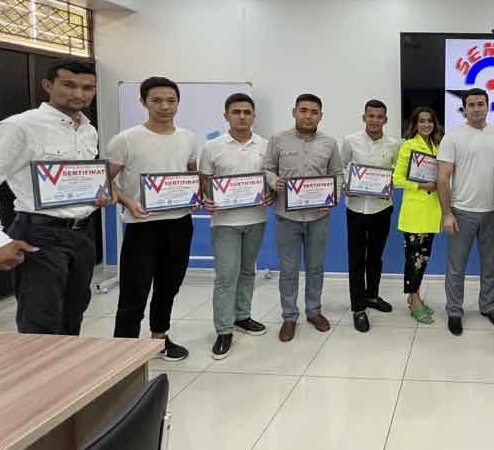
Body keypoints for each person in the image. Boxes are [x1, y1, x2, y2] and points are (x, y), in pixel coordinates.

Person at [0, 60, 112, 334]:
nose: (78, 94)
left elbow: (75, 181)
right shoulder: (20, 127)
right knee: (41, 324)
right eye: (69, 85)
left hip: (82, 235)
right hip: (39, 236)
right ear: (48, 86)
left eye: (87, 88)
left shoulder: (88, 130)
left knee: (73, 316)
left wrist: (96, 195)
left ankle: (68, 364)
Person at [108, 77, 198, 361]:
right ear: (143, 102)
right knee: (134, 291)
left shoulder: (188, 138)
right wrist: (128, 201)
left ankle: (159, 339)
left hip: (180, 223)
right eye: (156, 100)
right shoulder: (126, 139)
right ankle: (124, 351)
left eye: (171, 100)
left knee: (169, 286)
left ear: (178, 102)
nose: (165, 106)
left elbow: (191, 174)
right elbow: (103, 182)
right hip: (142, 225)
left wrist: (196, 195)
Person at [264, 93, 343, 342]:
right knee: (288, 270)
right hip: (286, 216)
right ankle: (289, 316)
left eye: (314, 112)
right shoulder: (278, 139)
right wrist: (273, 181)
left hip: (319, 216)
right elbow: (267, 168)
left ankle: (314, 311)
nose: (308, 116)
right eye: (303, 110)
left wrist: (333, 197)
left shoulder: (329, 143)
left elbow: (337, 173)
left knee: (315, 267)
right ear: (294, 112)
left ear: (320, 116)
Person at [200, 93, 270, 360]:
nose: (242, 116)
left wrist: (272, 194)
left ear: (254, 116)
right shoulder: (212, 147)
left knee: (248, 271)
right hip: (224, 222)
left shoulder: (265, 145)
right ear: (226, 115)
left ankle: (242, 316)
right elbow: (205, 183)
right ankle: (223, 330)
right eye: (236, 112)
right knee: (226, 276)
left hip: (256, 219)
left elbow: (271, 179)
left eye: (247, 112)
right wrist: (206, 198)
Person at [437, 88, 494, 336]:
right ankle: (454, 311)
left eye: (481, 104)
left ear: (488, 106)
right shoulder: (453, 137)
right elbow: (442, 177)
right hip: (462, 211)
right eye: (472, 104)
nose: (477, 108)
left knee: (490, 264)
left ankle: (487, 306)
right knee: (456, 266)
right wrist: (447, 213)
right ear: (464, 108)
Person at [341, 99, 401, 332]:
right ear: (364, 117)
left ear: (385, 120)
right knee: (357, 259)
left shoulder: (394, 144)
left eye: (379, 117)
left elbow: (398, 171)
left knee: (376, 256)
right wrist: (345, 184)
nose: (375, 120)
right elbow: (340, 167)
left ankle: (372, 296)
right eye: (371, 116)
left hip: (381, 208)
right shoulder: (350, 141)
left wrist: (392, 181)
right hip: (356, 208)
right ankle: (358, 308)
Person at [392, 106, 443, 324]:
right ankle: (414, 300)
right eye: (421, 121)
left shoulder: (438, 146)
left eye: (429, 121)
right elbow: (397, 179)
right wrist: (421, 186)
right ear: (415, 124)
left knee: (423, 258)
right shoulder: (408, 146)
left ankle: (415, 296)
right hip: (415, 213)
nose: (426, 125)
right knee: (414, 260)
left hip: (432, 212)